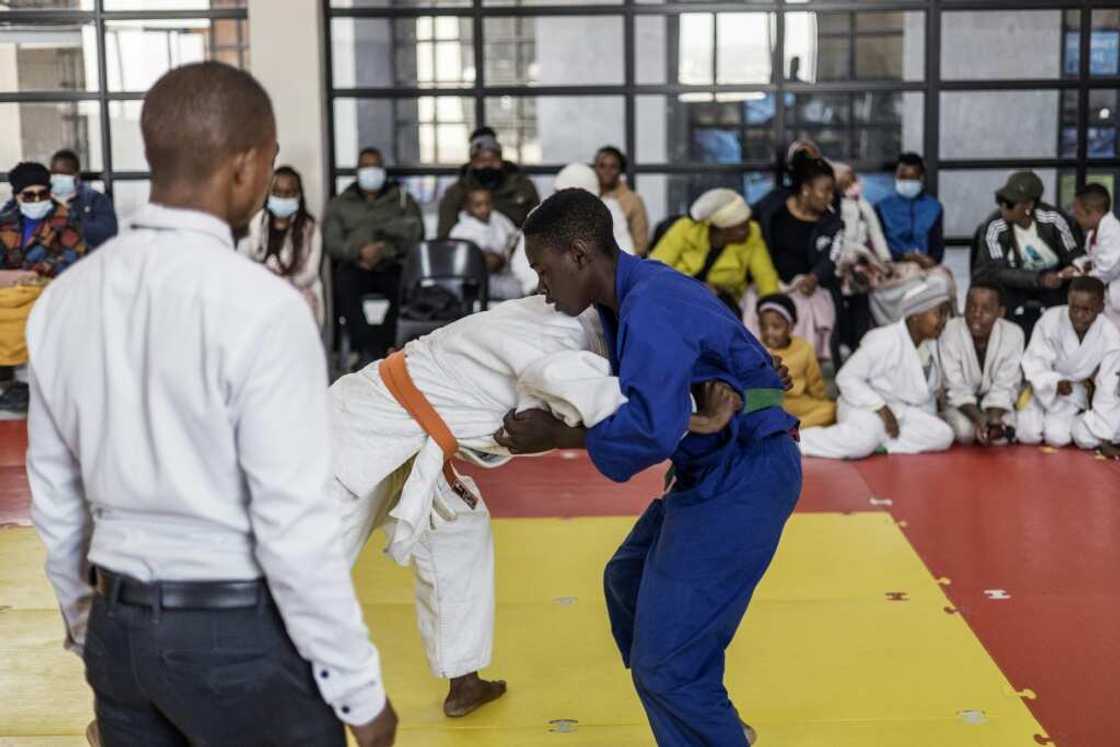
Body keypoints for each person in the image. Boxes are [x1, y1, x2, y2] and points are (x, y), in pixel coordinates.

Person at [26, 62, 397, 747]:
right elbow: (292, 522)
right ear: (247, 165)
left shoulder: (64, 301)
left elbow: (54, 496)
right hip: (233, 635)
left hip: (119, 626)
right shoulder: (264, 309)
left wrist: (93, 632)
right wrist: (359, 689)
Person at [494, 188, 801, 746]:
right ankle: (706, 715)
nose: (541, 284)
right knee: (626, 580)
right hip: (709, 468)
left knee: (665, 667)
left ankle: (701, 713)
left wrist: (557, 435)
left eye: (544, 269)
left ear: (581, 254)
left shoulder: (650, 305)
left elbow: (650, 428)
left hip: (746, 474)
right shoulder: (627, 297)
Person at [799, 275, 955, 459]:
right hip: (862, 406)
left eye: (946, 314)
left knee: (944, 434)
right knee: (862, 441)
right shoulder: (884, 340)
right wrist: (881, 408)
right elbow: (846, 377)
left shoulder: (930, 345)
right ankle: (794, 441)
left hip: (900, 410)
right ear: (915, 316)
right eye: (938, 314)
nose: (944, 321)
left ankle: (879, 443)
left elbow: (923, 394)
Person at [0, 162, 88, 414]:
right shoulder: (5, 223)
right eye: (29, 195)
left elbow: (74, 258)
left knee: (32, 311)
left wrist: (31, 275)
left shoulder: (65, 219)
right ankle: (12, 382)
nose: (37, 200)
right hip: (11, 292)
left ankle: (31, 384)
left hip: (51, 291)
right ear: (17, 196)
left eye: (43, 193)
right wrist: (15, 278)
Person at [324, 146, 424, 362]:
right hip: (355, 266)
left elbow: (416, 233)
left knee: (405, 291)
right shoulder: (340, 203)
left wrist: (384, 250)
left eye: (376, 166)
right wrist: (359, 252)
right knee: (344, 287)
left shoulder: (402, 199)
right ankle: (368, 350)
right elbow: (332, 242)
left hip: (391, 265)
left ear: (384, 170)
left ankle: (382, 345)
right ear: (357, 170)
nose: (371, 171)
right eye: (366, 166)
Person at [752, 153, 844, 360]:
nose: (831, 197)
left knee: (806, 312)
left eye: (832, 191)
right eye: (825, 191)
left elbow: (831, 259)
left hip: (806, 286)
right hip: (769, 282)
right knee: (755, 308)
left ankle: (800, 376)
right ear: (805, 189)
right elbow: (750, 230)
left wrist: (814, 277)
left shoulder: (832, 223)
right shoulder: (773, 206)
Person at [972, 171, 1083, 338]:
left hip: (1054, 284)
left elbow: (1076, 257)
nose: (1002, 207)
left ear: (1029, 205)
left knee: (1071, 305)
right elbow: (997, 270)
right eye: (1000, 201)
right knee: (995, 299)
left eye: (1009, 203)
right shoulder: (995, 226)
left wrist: (1071, 270)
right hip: (1012, 285)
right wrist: (1039, 278)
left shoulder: (1054, 220)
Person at [1018, 277, 1120, 450]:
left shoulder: (1110, 335)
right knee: (1028, 434)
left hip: (1072, 394)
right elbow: (1034, 362)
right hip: (1041, 387)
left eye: (1087, 310)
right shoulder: (1050, 320)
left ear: (1101, 307)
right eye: (1074, 308)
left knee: (1057, 437)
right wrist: (1054, 382)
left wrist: (1104, 436)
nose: (1079, 316)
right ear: (1068, 302)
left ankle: (1083, 419)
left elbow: (1108, 386)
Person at [509, 162, 634, 296]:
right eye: (558, 194)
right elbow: (521, 263)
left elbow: (625, 256)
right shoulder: (543, 213)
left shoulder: (610, 211)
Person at [650, 188, 779, 311]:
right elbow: (654, 268)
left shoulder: (752, 234)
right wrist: (696, 288)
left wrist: (773, 306)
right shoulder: (686, 228)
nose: (748, 229)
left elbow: (765, 276)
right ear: (723, 228)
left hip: (723, 303)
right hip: (678, 294)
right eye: (742, 227)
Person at [938, 282, 1024, 446]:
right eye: (971, 307)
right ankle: (945, 416)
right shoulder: (950, 331)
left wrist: (993, 419)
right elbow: (955, 386)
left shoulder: (1013, 334)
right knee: (965, 433)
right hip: (961, 402)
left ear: (1000, 312)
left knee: (1001, 438)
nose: (977, 314)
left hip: (995, 400)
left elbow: (1006, 384)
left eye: (986, 309)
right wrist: (979, 418)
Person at [240, 165, 324, 326]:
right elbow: (247, 260)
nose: (283, 197)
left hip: (298, 290)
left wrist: (287, 283)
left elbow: (311, 272)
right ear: (269, 194)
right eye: (277, 192)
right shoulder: (257, 222)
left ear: (298, 196)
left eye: (289, 193)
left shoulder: (310, 227)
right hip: (262, 289)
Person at [437, 127, 540, 239]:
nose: (488, 165)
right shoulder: (456, 192)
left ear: (501, 160)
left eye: (493, 160)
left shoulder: (523, 187)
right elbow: (445, 237)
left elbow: (538, 229)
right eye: (481, 161)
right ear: (472, 163)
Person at [756, 293, 836, 428]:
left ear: (790, 327)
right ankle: (787, 425)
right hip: (770, 403)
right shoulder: (757, 348)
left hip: (798, 402)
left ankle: (793, 426)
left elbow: (815, 382)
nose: (769, 332)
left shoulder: (804, 348)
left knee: (832, 409)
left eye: (776, 327)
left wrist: (821, 400)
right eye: (763, 327)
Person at [449, 187, 521, 300]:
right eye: (478, 205)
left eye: (488, 204)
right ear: (467, 207)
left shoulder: (498, 218)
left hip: (505, 270)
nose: (485, 209)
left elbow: (515, 237)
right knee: (515, 290)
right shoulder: (460, 230)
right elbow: (485, 263)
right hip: (476, 279)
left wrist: (511, 250)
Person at [875, 152, 945, 266]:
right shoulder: (882, 207)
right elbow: (877, 243)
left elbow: (937, 245)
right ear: (896, 177)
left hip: (926, 266)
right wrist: (903, 257)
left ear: (921, 178)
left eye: (912, 178)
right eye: (902, 177)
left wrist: (931, 260)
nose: (906, 182)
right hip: (892, 265)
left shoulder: (934, 208)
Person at [1070, 183, 1120, 328]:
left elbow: (1105, 271)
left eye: (1078, 214)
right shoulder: (1094, 232)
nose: (1076, 219)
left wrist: (1076, 275)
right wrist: (1077, 266)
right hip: (1107, 300)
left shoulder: (1113, 232)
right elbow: (1093, 259)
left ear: (1094, 212)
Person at [49, 149, 118, 249]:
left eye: (64, 174)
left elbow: (108, 231)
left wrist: (72, 225)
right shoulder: (41, 198)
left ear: (76, 175)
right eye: (55, 173)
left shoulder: (94, 198)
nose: (59, 177)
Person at [595, 146, 650, 256]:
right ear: (595, 168)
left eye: (613, 167)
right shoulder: (589, 196)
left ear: (621, 170)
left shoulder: (633, 200)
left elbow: (641, 246)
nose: (607, 171)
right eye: (602, 166)